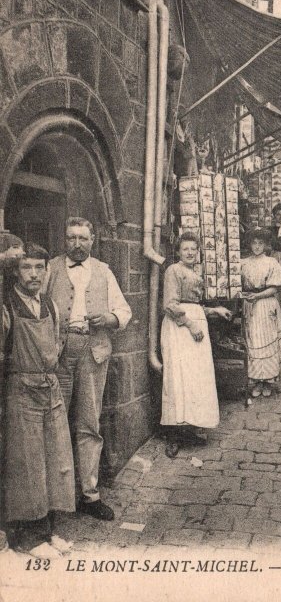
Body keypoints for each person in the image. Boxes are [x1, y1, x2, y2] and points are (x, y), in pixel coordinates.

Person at [47, 217, 132, 522]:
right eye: (72, 238)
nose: (78, 243)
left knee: (88, 423)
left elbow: (124, 311)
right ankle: (55, 497)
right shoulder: (50, 269)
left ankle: (89, 494)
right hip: (58, 353)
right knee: (54, 423)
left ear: (93, 239)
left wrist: (108, 318)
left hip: (94, 351)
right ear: (64, 240)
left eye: (83, 238)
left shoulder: (103, 271)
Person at [3, 243, 75, 558]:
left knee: (56, 458)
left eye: (39, 268)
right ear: (16, 271)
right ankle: (27, 538)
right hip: (21, 388)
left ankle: (48, 530)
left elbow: (58, 341)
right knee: (27, 463)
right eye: (27, 267)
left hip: (51, 387)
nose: (34, 274)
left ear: (46, 271)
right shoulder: (7, 305)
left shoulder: (50, 305)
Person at [160, 231, 232, 457]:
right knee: (177, 378)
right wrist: (190, 325)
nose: (190, 253)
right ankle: (173, 434)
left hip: (195, 326)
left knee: (195, 380)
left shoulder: (194, 273)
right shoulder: (174, 271)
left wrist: (215, 310)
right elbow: (170, 305)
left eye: (193, 249)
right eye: (185, 249)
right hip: (180, 328)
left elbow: (196, 305)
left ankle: (189, 428)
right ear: (178, 252)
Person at [241, 229, 281, 398]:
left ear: (265, 245)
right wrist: (247, 295)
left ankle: (268, 380)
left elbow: (276, 287)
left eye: (260, 243)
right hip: (250, 305)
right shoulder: (243, 263)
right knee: (253, 341)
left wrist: (258, 295)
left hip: (266, 303)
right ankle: (256, 381)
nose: (257, 246)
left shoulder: (271, 262)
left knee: (268, 340)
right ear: (249, 244)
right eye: (254, 243)